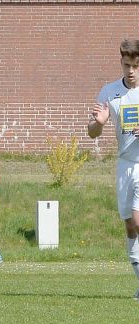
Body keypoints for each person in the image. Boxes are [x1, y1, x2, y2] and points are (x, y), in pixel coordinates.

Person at [89, 39, 139, 300]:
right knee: (130, 225)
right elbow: (91, 132)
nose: (130, 71)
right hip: (125, 164)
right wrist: (98, 123)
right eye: (126, 65)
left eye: (135, 66)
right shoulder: (109, 92)